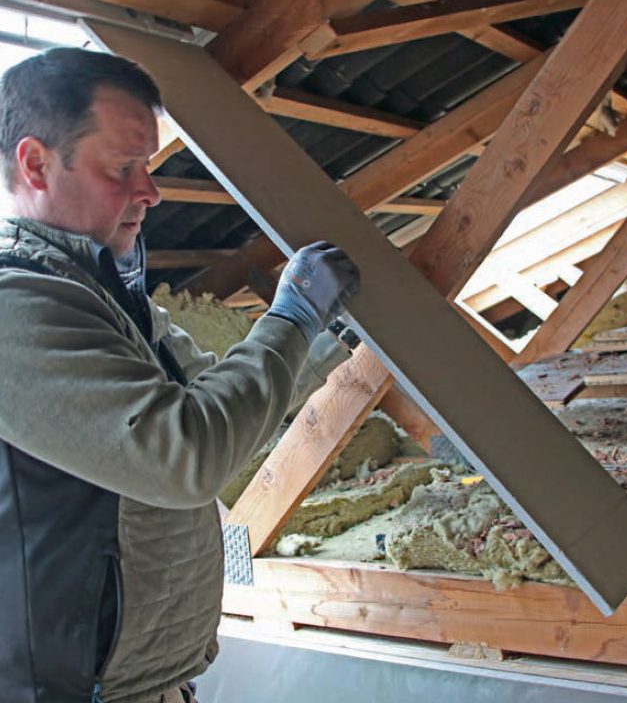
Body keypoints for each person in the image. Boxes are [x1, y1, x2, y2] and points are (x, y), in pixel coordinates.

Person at [0, 47, 360, 703]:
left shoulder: (105, 296)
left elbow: (226, 402)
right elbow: (187, 453)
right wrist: (293, 316)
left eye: (150, 165)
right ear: (35, 164)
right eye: (124, 167)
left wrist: (333, 338)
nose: (151, 191)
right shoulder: (16, 307)